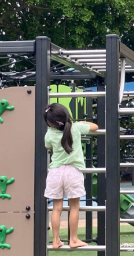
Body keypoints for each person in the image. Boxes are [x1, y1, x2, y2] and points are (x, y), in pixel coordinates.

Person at [44, 103, 99, 249]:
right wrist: (80, 122)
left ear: (50, 122)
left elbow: (47, 146)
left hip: (55, 172)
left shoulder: (50, 133)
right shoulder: (76, 128)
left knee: (56, 208)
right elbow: (95, 126)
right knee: (74, 207)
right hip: (73, 172)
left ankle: (56, 240)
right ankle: (73, 239)